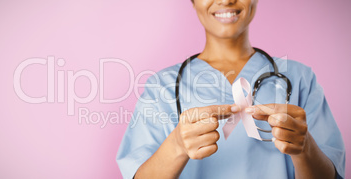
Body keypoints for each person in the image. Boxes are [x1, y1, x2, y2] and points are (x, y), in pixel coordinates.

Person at [116, 0, 345, 178]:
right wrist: (176, 145)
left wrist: (305, 148)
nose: (226, 0)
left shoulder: (300, 78)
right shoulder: (162, 87)